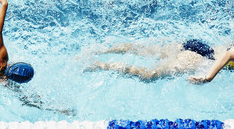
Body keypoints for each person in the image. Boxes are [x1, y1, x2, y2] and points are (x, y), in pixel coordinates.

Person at [85, 39, 232, 82]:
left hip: (198, 47)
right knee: (149, 75)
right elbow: (228, 55)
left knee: (144, 50)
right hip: (199, 58)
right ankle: (99, 65)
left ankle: (99, 49)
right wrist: (208, 77)